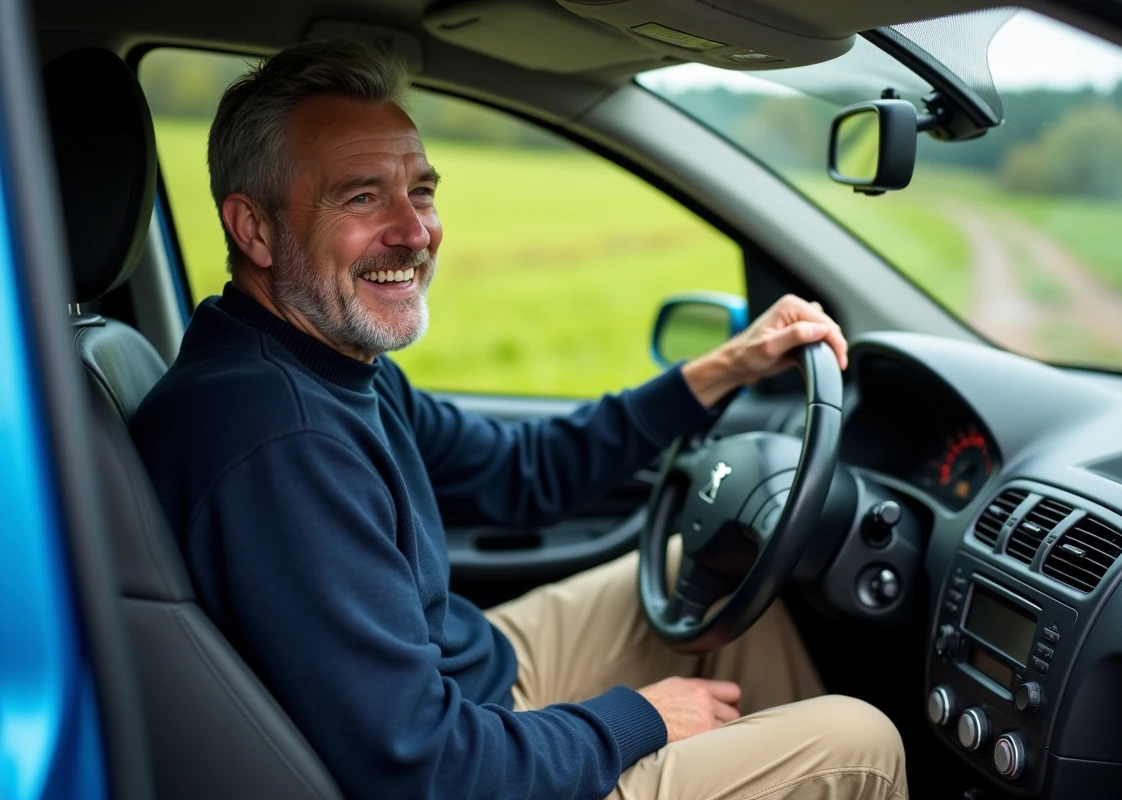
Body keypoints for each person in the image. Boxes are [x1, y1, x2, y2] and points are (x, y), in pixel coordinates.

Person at [132, 39, 908, 800]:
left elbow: (520, 473)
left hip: (470, 683)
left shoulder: (314, 362)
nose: (416, 231)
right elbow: (426, 768)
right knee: (860, 741)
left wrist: (724, 367)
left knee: (715, 577)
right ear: (254, 229)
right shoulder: (283, 442)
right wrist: (639, 718)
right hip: (465, 758)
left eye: (423, 191)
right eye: (362, 196)